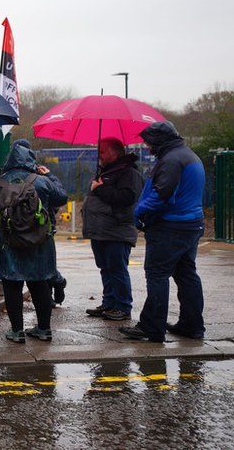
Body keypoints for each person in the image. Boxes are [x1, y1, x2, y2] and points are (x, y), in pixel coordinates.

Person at [121, 121, 206, 343]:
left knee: (157, 275)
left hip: (170, 227)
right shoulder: (188, 155)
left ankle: (152, 327)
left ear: (159, 140)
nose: (148, 147)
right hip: (191, 224)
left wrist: (139, 212)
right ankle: (192, 325)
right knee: (187, 275)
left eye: (149, 142)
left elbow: (162, 194)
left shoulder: (171, 160)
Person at [0, 139, 68, 343]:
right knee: (39, 285)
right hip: (40, 243)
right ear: (31, 160)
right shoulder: (42, 181)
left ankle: (17, 331)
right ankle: (44, 329)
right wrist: (50, 175)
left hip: (9, 243)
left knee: (12, 286)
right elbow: (62, 197)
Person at [82, 137, 143, 321]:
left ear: (115, 152)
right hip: (101, 230)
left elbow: (126, 198)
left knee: (117, 269)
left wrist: (100, 189)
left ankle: (123, 307)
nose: (99, 155)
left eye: (103, 151)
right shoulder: (106, 172)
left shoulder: (128, 173)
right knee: (106, 268)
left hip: (117, 230)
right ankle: (109, 303)